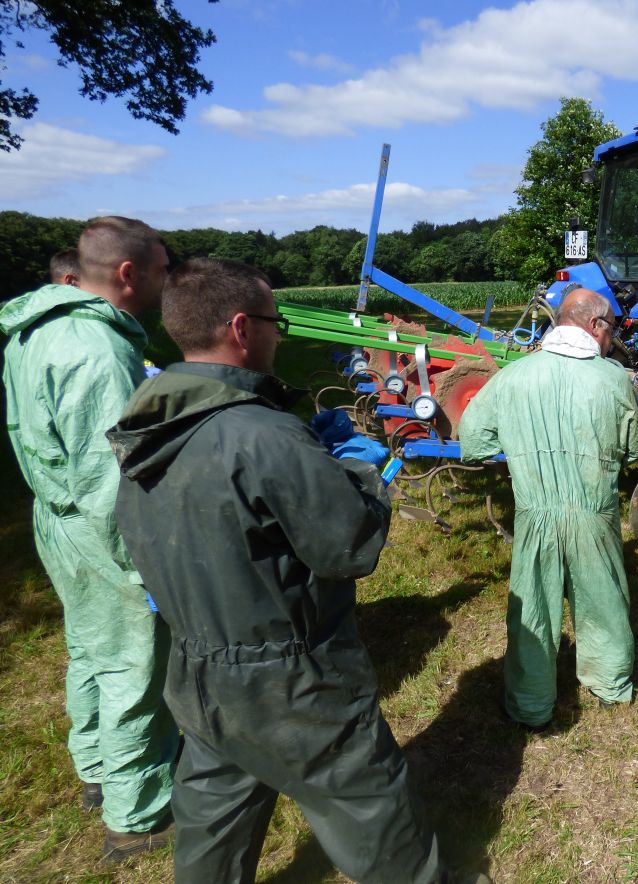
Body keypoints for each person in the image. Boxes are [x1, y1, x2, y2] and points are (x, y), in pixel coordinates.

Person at [106, 257, 453, 884]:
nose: (279, 334)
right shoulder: (263, 437)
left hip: (198, 668)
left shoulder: (150, 424)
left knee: (214, 814)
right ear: (242, 327)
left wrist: (308, 463)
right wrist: (352, 470)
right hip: (290, 681)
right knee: (369, 805)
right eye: (275, 321)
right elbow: (350, 547)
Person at [0, 217, 178, 861]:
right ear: (128, 274)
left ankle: (98, 769)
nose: (166, 282)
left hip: (56, 515)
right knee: (134, 657)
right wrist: (145, 565)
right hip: (99, 525)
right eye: (161, 270)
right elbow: (111, 476)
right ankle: (138, 813)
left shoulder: (35, 329)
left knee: (90, 645)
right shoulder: (98, 352)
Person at [458, 287, 638, 731]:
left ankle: (530, 706)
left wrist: (523, 453)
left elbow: (473, 441)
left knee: (533, 610)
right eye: (611, 330)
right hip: (593, 512)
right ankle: (610, 685)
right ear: (595, 326)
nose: (611, 339)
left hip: (534, 513)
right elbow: (633, 449)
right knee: (603, 598)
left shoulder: (513, 376)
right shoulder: (614, 379)